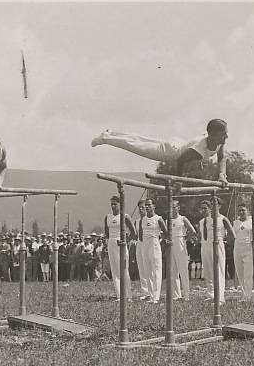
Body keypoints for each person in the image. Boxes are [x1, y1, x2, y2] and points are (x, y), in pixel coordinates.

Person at [91, 119, 230, 182]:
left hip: (179, 143)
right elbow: (181, 160)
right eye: (223, 133)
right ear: (212, 133)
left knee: (142, 140)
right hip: (172, 152)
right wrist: (178, 181)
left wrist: (222, 175)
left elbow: (222, 158)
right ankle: (105, 138)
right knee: (137, 146)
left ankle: (111, 133)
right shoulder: (199, 148)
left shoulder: (219, 142)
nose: (226, 136)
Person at [196, 199, 235, 303]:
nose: (213, 206)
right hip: (206, 245)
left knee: (219, 270)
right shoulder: (205, 220)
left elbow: (232, 234)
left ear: (219, 206)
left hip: (218, 244)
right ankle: (210, 294)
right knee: (208, 270)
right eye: (211, 204)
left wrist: (225, 240)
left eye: (215, 205)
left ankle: (220, 297)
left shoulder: (223, 219)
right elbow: (202, 235)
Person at [104, 196, 137, 301]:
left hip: (121, 245)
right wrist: (109, 242)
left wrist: (125, 242)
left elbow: (134, 232)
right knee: (114, 270)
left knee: (123, 269)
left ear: (120, 204)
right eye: (112, 204)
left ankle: (128, 295)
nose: (113, 206)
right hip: (111, 244)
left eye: (115, 204)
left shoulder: (125, 216)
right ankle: (119, 295)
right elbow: (107, 233)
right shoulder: (107, 217)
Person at [138, 198, 168, 303]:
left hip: (154, 243)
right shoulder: (143, 219)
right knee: (147, 270)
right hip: (145, 244)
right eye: (146, 205)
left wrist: (159, 240)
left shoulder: (158, 219)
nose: (147, 207)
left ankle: (156, 296)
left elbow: (166, 232)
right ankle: (150, 295)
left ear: (154, 206)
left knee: (156, 270)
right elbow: (140, 235)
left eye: (149, 205)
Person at [168, 200, 197, 301]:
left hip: (180, 242)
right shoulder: (168, 220)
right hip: (171, 243)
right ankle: (176, 294)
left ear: (178, 208)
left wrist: (185, 238)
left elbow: (193, 231)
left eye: (174, 207)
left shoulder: (183, 219)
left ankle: (187, 295)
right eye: (170, 207)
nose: (172, 209)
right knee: (173, 271)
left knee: (183, 270)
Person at [232, 202, 254, 302]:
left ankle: (248, 295)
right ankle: (243, 294)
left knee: (248, 274)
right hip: (237, 247)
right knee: (240, 273)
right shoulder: (235, 223)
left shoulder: (251, 221)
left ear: (247, 210)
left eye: (243, 210)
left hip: (248, 247)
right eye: (239, 211)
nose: (241, 212)